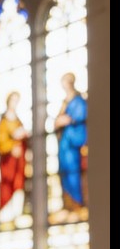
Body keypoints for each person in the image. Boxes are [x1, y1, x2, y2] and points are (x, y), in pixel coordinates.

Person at [54, 72, 87, 212]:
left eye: (65, 82)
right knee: (65, 171)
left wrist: (66, 120)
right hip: (64, 143)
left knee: (73, 172)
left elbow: (79, 117)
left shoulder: (78, 100)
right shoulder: (65, 102)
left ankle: (77, 203)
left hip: (73, 142)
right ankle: (68, 205)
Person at [0, 90, 29, 219]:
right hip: (8, 161)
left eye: (17, 101)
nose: (15, 103)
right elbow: (1, 142)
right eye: (13, 100)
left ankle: (17, 213)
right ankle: (6, 214)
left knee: (18, 184)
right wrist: (11, 147)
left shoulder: (18, 121)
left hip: (19, 161)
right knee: (7, 184)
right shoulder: (3, 122)